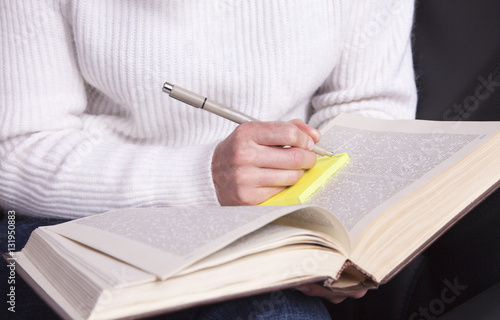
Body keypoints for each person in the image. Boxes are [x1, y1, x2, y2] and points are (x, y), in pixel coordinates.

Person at [0, 0, 417, 318]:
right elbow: (16, 151)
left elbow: (368, 104)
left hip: (273, 220)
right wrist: (204, 180)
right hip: (79, 216)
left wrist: (343, 237)